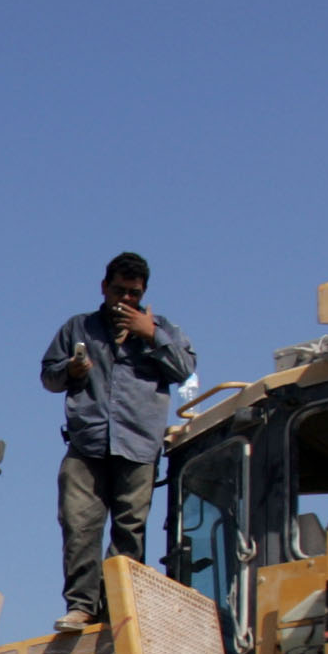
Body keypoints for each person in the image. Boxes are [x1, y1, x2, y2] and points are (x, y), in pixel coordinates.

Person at [40, 251, 198, 630]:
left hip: (139, 443)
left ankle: (119, 608)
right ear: (104, 287)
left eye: (133, 293)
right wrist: (71, 369)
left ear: (143, 293)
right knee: (79, 524)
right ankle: (82, 605)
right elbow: (49, 377)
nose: (125, 299)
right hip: (87, 442)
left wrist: (150, 334)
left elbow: (185, 369)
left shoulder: (164, 328)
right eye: (118, 290)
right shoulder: (79, 328)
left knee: (130, 528)